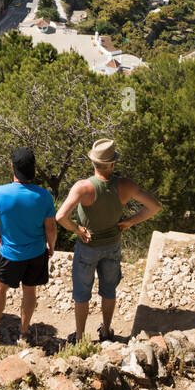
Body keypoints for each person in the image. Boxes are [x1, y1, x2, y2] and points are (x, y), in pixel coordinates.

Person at [56, 138, 161, 344]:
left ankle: (79, 337)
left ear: (93, 162)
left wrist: (77, 230)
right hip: (112, 245)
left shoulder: (83, 188)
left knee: (81, 293)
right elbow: (154, 206)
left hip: (87, 246)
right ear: (113, 164)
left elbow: (60, 217)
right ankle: (106, 331)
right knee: (108, 290)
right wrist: (130, 221)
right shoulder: (125, 185)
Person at [0, 147, 57, 345]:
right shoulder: (44, 196)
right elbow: (50, 227)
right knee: (30, 291)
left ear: (12, 167)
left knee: (0, 287)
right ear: (33, 169)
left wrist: (0, 238)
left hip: (10, 253)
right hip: (36, 253)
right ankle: (24, 333)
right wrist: (51, 246)